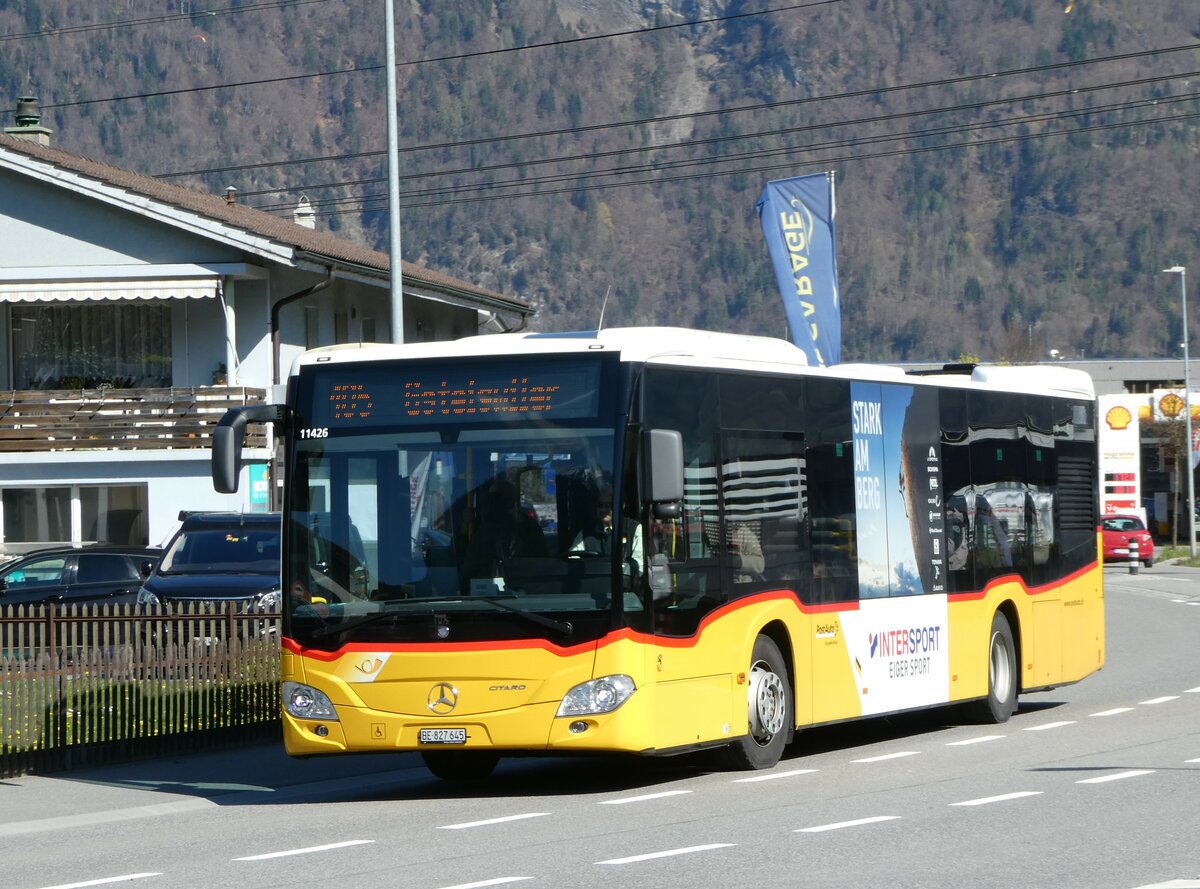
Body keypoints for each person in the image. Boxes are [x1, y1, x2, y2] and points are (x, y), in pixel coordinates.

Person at [463, 478, 547, 580]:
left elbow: (542, 562)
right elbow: (467, 565)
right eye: (492, 499)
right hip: (486, 588)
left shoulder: (528, 527)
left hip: (526, 587)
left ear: (511, 501)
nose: (494, 503)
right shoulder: (480, 528)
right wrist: (465, 524)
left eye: (498, 499)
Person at [570, 488, 643, 569]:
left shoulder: (634, 529)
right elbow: (573, 560)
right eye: (600, 505)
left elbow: (639, 565)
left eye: (609, 505)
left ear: (622, 505)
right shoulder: (586, 533)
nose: (603, 510)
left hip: (621, 580)